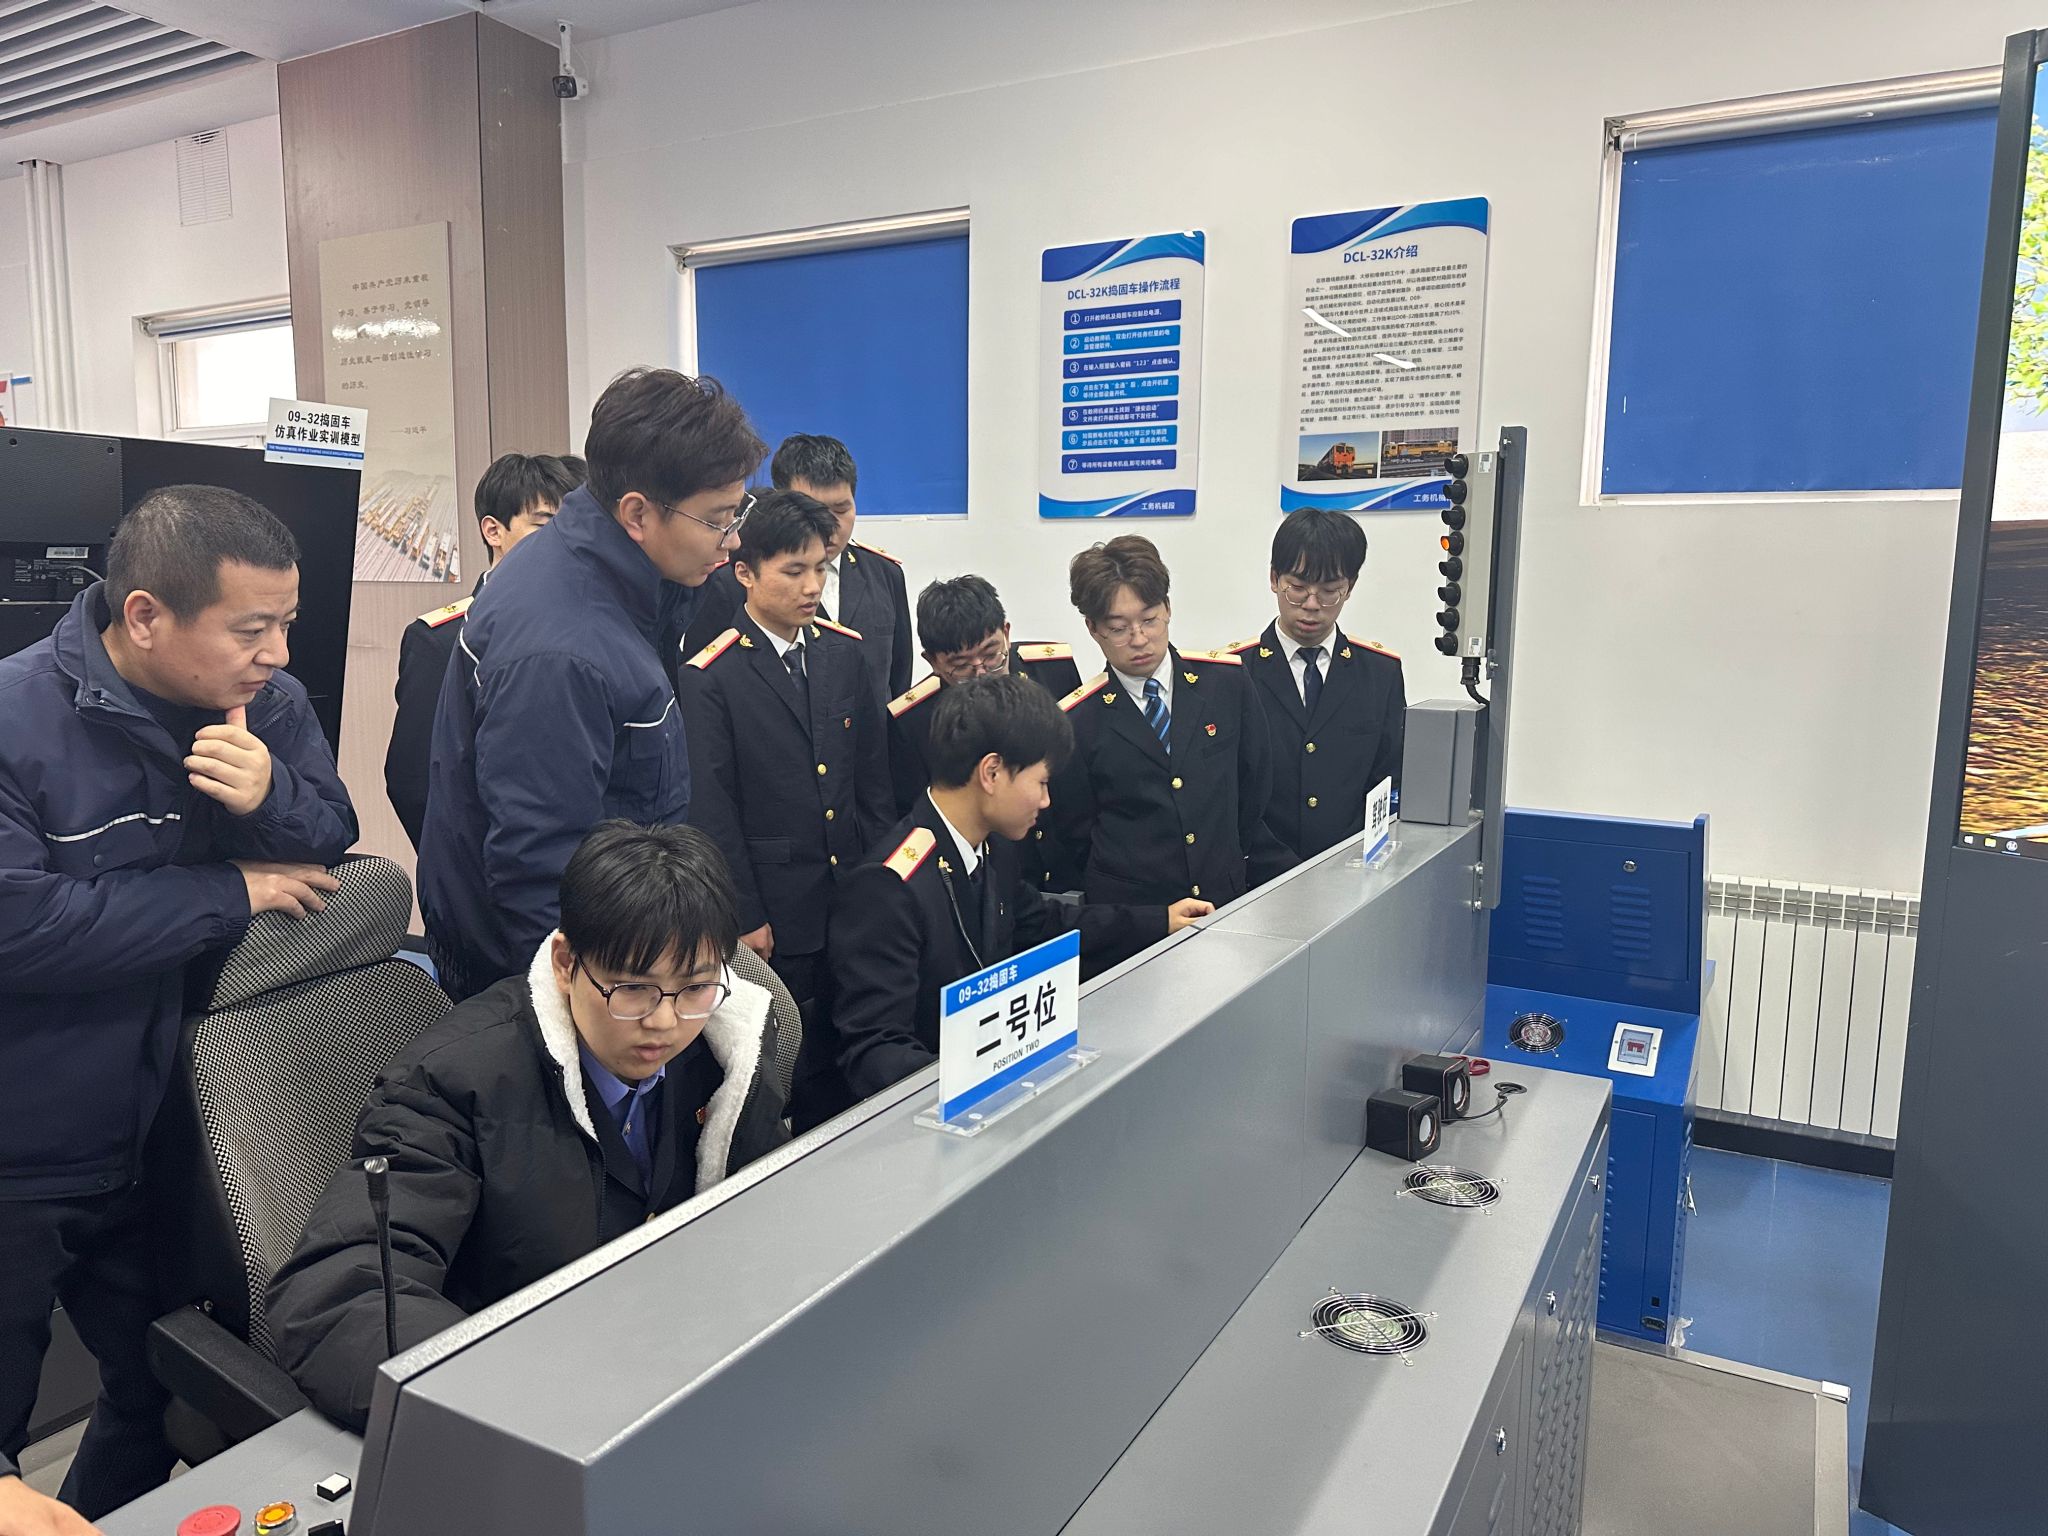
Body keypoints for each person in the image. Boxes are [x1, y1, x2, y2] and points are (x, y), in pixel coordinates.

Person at [0, 486, 354, 1525]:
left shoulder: (266, 707)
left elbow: (328, 838)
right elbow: (23, 930)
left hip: (170, 1126)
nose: (277, 654)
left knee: (167, 1386)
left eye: (287, 623)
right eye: (251, 629)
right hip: (24, 1143)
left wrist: (272, 798)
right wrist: (225, 889)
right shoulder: (17, 721)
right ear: (146, 615)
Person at [269, 822, 786, 1431]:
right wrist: (511, 1400)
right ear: (566, 963)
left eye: (693, 988)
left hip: (673, 1368)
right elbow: (341, 1295)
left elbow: (773, 1214)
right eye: (633, 990)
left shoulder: (724, 1049)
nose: (665, 1023)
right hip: (530, 1397)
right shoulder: (456, 1080)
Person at [420, 370, 764, 1000]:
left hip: (628, 930)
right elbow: (540, 874)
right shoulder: (562, 651)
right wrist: (591, 1012)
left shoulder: (613, 566)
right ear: (637, 513)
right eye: (718, 519)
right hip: (567, 967)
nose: (734, 538)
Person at [821, 674, 1211, 1115]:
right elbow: (876, 1050)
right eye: (1041, 782)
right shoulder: (887, 886)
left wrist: (1160, 921)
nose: (1046, 801)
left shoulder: (994, 847)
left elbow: (1043, 924)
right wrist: (980, 1086)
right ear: (991, 773)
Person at [678, 490, 891, 1127]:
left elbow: (871, 784)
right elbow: (711, 808)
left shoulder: (843, 653)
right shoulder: (711, 674)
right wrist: (744, 913)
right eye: (793, 571)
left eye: (820, 568)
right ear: (745, 572)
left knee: (854, 1042)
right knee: (783, 1064)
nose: (812, 586)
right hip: (774, 907)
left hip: (849, 894)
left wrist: (882, 883)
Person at [1046, 535, 1294, 933]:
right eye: (1118, 628)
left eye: (1149, 620)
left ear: (1167, 607)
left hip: (1222, 900)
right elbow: (1076, 833)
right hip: (1133, 918)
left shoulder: (1225, 683)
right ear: (1093, 628)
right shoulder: (1077, 720)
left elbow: (1254, 785)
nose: (1139, 639)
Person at [383, 452, 583, 851]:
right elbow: (415, 785)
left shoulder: (590, 628)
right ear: (494, 531)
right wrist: (467, 872)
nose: (564, 542)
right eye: (544, 525)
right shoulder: (442, 640)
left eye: (572, 527)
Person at [884, 576, 1083, 893]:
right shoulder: (913, 721)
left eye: (991, 655)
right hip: (993, 882)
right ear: (932, 662)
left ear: (1006, 632)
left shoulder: (1053, 670)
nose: (981, 675)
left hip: (1071, 864)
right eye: (961, 666)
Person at [685, 434, 912, 709]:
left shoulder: (884, 574)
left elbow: (899, 681)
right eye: (814, 511)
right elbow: (702, 686)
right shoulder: (731, 582)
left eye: (841, 509)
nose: (830, 526)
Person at [1229, 509, 1406, 861]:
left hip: (1352, 870)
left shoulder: (1380, 673)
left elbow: (1388, 781)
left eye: (1329, 592)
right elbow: (1227, 789)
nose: (1312, 606)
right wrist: (1276, 867)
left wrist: (1355, 861)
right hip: (1257, 875)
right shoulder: (1233, 673)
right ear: (1274, 579)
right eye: (1297, 589)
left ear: (1350, 587)